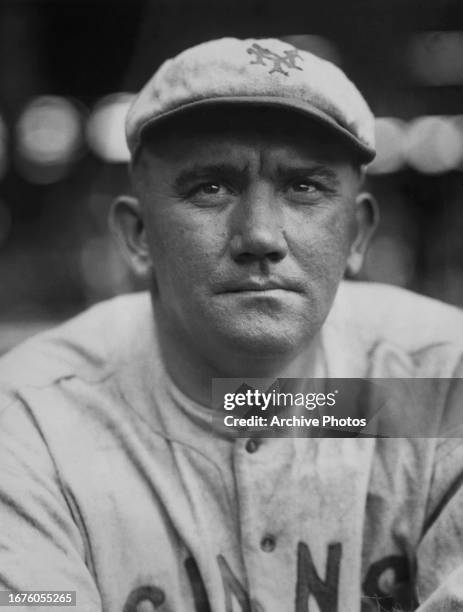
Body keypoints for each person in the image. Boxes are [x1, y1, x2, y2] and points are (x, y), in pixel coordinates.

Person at [1, 37, 463, 612]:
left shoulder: (444, 382)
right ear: (138, 236)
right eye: (210, 187)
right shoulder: (28, 423)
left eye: (304, 187)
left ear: (358, 234)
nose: (261, 237)